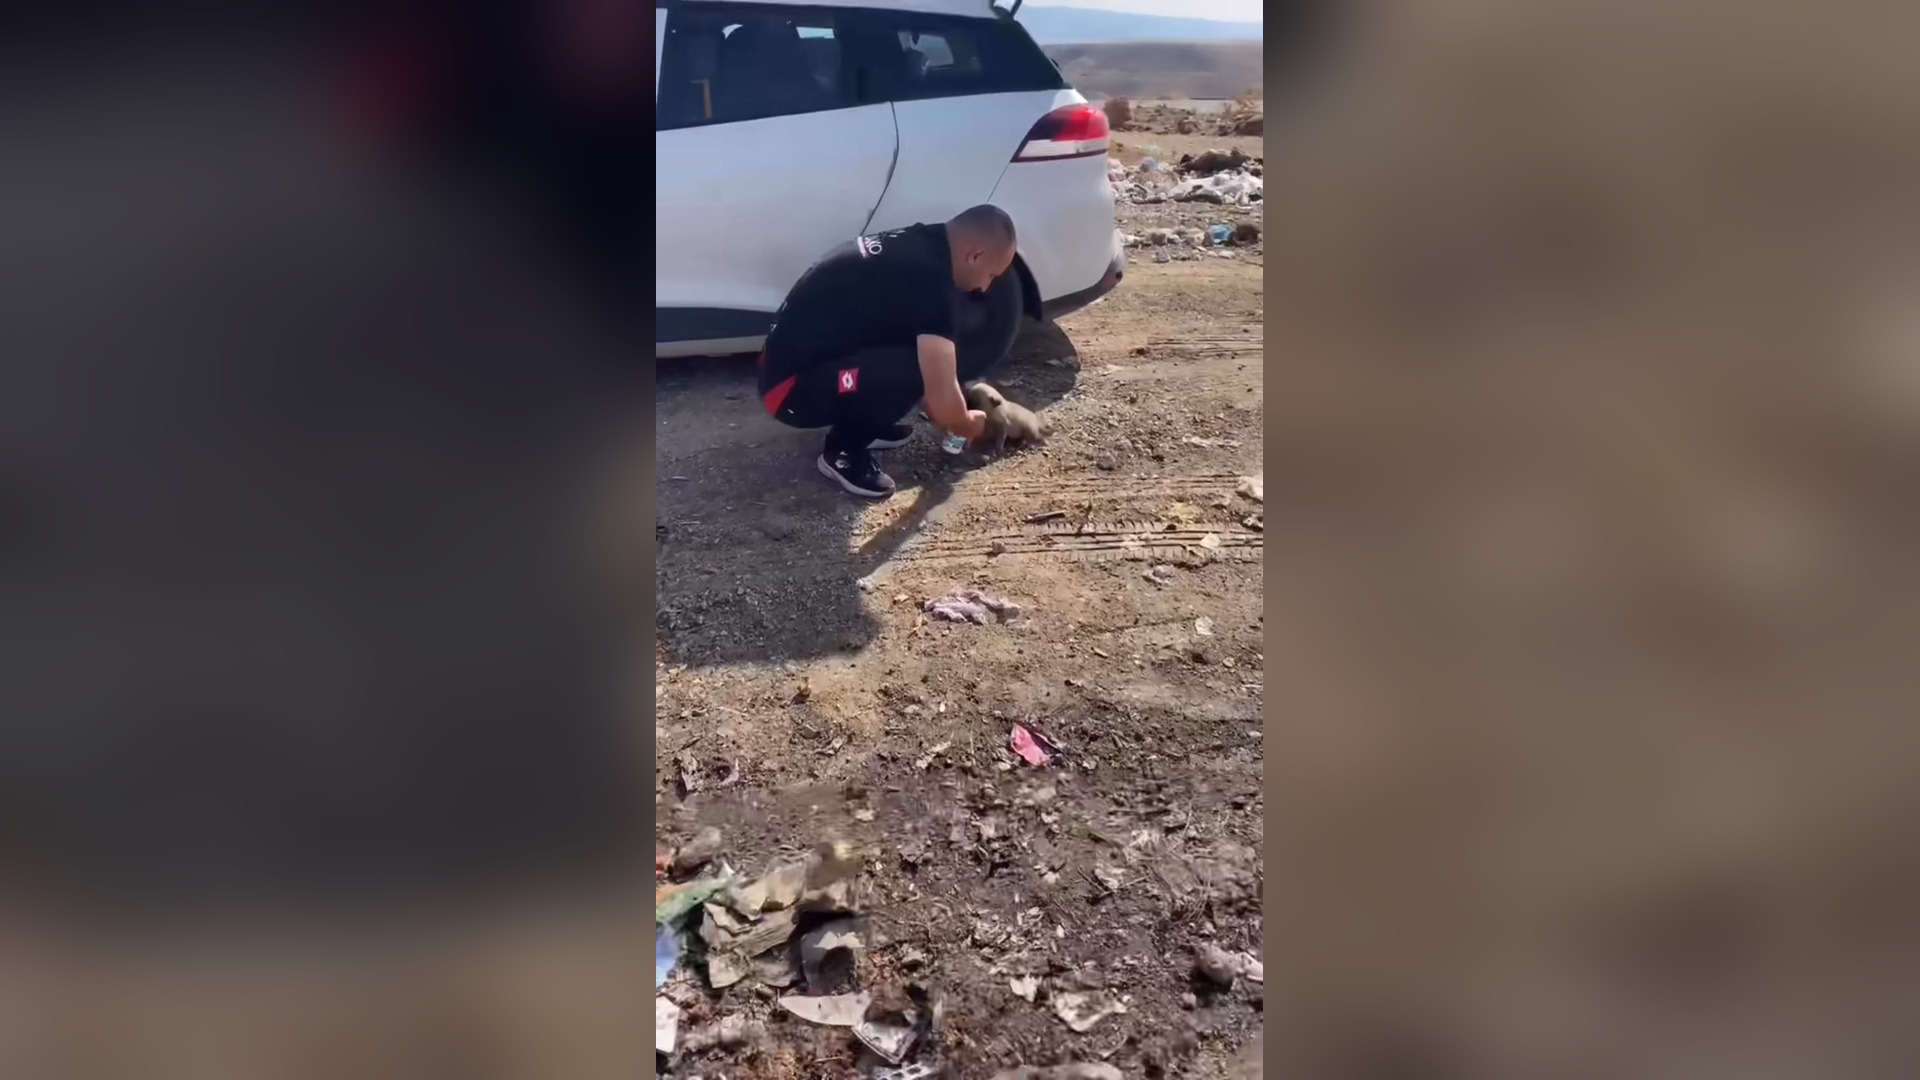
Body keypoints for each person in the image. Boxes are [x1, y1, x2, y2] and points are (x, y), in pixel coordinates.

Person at [757, 204, 1019, 498]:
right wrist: (969, 424)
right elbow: (941, 397)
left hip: (800, 365)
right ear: (976, 255)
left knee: (917, 356)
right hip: (788, 390)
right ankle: (844, 451)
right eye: (991, 275)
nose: (985, 287)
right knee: (917, 370)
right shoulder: (930, 280)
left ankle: (868, 423)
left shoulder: (923, 243)